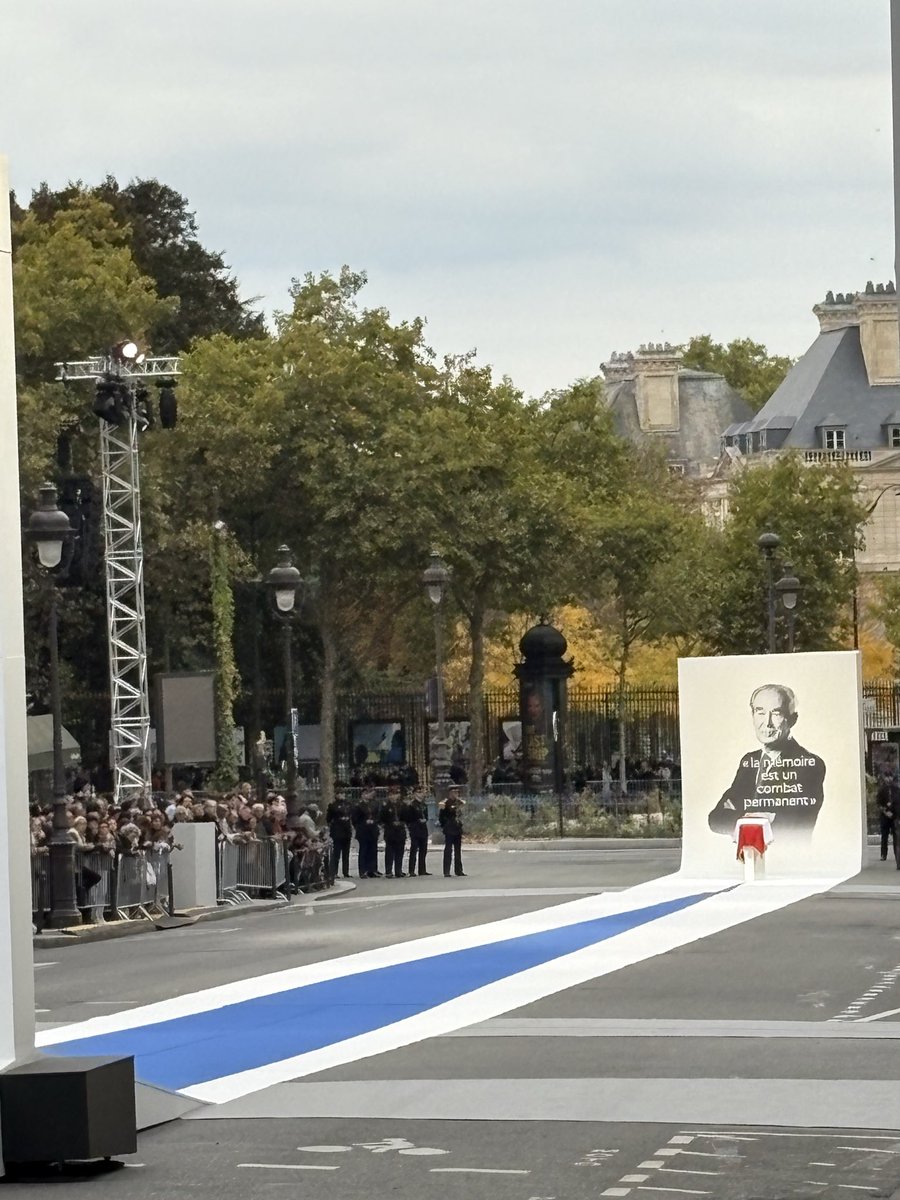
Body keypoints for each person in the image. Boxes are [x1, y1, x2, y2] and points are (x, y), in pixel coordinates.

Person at [708, 683, 826, 836]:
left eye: (776, 713)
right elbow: (716, 818)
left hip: (787, 856)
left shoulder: (810, 764)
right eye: (760, 712)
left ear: (792, 719)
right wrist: (764, 818)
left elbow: (793, 822)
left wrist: (741, 817)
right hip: (749, 856)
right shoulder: (749, 761)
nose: (767, 723)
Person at [439, 785, 466, 877]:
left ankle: (459, 870)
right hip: (449, 829)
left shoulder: (460, 803)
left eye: (457, 792)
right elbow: (441, 817)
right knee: (448, 850)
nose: (456, 794)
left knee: (458, 850)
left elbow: (461, 815)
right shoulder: (445, 803)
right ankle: (446, 871)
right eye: (454, 792)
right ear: (450, 793)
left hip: (457, 829)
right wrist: (446, 826)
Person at [353, 788, 380, 878]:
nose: (369, 795)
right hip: (363, 830)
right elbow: (355, 819)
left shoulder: (374, 804)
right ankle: (363, 870)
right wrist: (363, 823)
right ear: (362, 795)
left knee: (373, 850)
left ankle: (372, 870)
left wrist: (374, 821)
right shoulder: (358, 806)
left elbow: (377, 816)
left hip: (372, 830)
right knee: (363, 850)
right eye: (366, 793)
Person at [402, 790, 431, 876]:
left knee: (423, 850)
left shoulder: (424, 805)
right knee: (414, 850)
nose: (421, 794)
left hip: (423, 829)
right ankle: (411, 870)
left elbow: (427, 816)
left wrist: (425, 820)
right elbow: (408, 818)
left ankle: (422, 870)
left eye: (421, 792)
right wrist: (414, 823)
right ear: (415, 794)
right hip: (415, 829)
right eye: (418, 792)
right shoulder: (411, 805)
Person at [326, 792, 354, 879]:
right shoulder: (333, 805)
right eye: (339, 793)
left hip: (346, 831)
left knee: (346, 853)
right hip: (337, 831)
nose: (342, 795)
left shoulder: (348, 804)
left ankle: (346, 872)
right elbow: (329, 818)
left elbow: (351, 815)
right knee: (336, 853)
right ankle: (334, 872)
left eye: (343, 793)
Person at [380, 793, 407, 878]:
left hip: (400, 831)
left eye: (396, 794)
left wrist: (402, 823)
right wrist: (389, 824)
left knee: (400, 852)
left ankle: (398, 871)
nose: (394, 796)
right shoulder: (385, 806)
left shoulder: (402, 805)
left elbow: (406, 817)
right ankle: (388, 871)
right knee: (389, 853)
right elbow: (381, 818)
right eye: (392, 794)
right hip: (390, 831)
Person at [877, 772, 900, 864]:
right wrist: (885, 812)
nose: (889, 779)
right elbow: (878, 803)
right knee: (884, 836)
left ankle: (897, 855)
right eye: (887, 777)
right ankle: (883, 854)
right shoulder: (881, 790)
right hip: (885, 816)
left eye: (890, 777)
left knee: (896, 836)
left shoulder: (896, 789)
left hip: (895, 816)